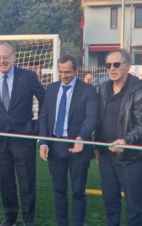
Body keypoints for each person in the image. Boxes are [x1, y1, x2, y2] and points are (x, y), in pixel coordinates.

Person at [0, 43, 45, 226]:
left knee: (27, 183)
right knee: (6, 182)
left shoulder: (28, 77)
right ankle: (10, 218)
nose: (2, 61)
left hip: (23, 139)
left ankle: (28, 220)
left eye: (6, 57)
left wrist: (37, 126)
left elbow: (45, 100)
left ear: (14, 57)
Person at [95, 49, 142, 226]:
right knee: (110, 203)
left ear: (127, 66)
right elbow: (99, 120)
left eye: (116, 64)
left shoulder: (138, 89)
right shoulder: (103, 88)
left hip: (130, 158)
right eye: (108, 65)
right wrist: (97, 147)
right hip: (106, 156)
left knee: (133, 207)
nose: (111, 68)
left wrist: (126, 141)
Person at [39, 55, 98, 226]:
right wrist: (43, 142)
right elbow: (44, 117)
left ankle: (79, 223)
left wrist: (82, 138)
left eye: (67, 72)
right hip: (55, 146)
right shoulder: (51, 88)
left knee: (78, 191)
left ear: (76, 71)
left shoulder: (88, 90)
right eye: (61, 72)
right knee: (59, 190)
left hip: (79, 146)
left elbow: (91, 118)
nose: (63, 76)